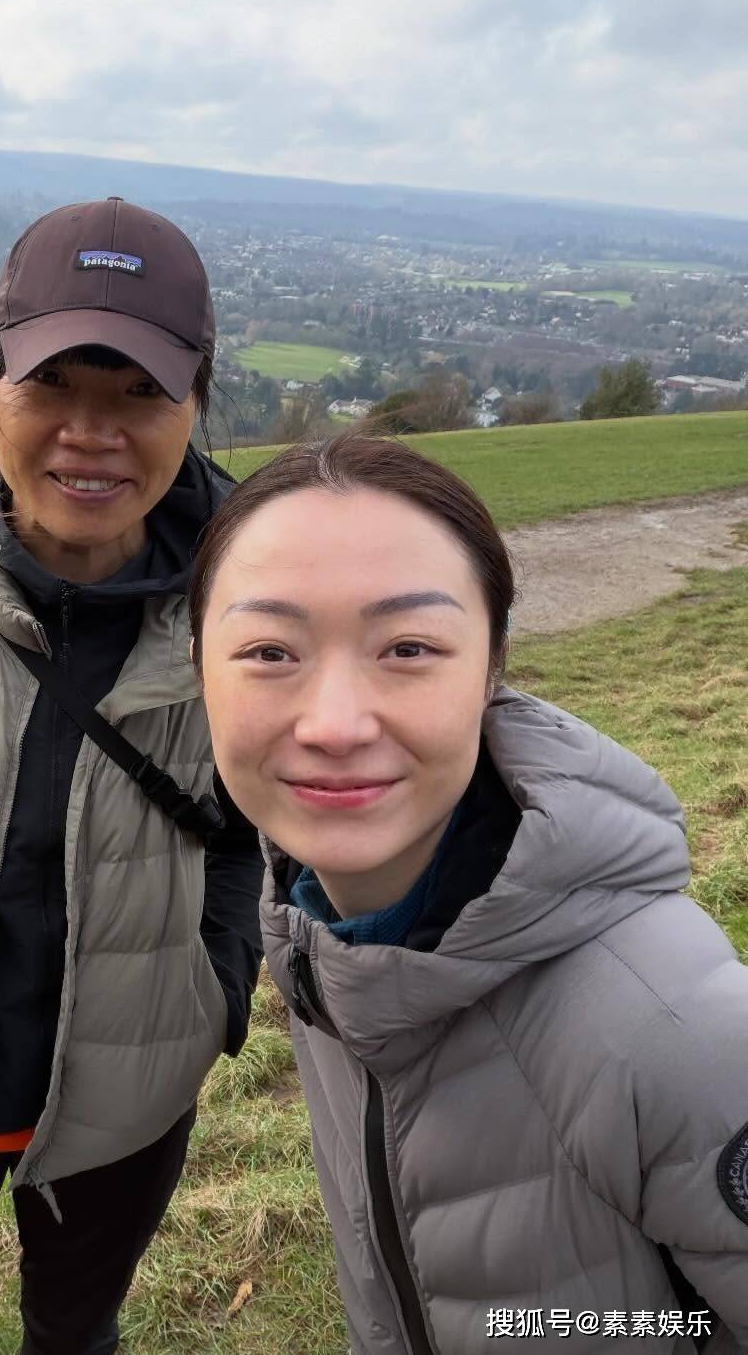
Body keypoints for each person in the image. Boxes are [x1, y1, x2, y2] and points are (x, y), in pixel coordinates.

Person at [189, 429, 748, 1353]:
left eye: (408, 647)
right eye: (270, 652)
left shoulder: (678, 1037)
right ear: (198, 670)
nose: (334, 725)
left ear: (493, 665)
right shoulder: (322, 935)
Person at [0, 197, 265, 1354]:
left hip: (128, 1092)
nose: (90, 432)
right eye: (52, 383)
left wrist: (215, 989)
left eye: (139, 391)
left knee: (76, 1334)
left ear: (196, 402)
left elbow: (253, 826)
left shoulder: (250, 614)